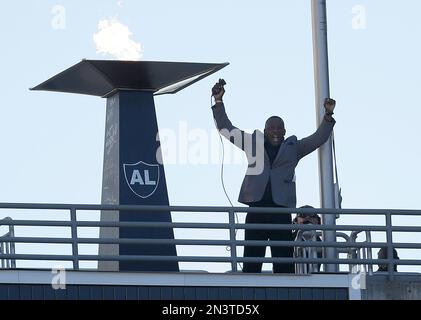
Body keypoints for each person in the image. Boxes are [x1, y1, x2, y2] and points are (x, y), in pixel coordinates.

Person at [211, 80, 336, 273]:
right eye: (272, 128)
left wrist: (328, 115)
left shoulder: (294, 148)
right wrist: (218, 102)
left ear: (285, 132)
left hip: (280, 211)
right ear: (265, 130)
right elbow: (226, 129)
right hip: (257, 209)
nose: (276, 131)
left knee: (283, 261)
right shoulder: (252, 142)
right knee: (252, 260)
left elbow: (318, 138)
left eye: (279, 128)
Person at [292, 205, 322, 273]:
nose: (308, 217)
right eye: (303, 215)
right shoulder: (289, 240)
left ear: (318, 222)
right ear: (296, 221)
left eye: (312, 215)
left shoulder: (321, 243)